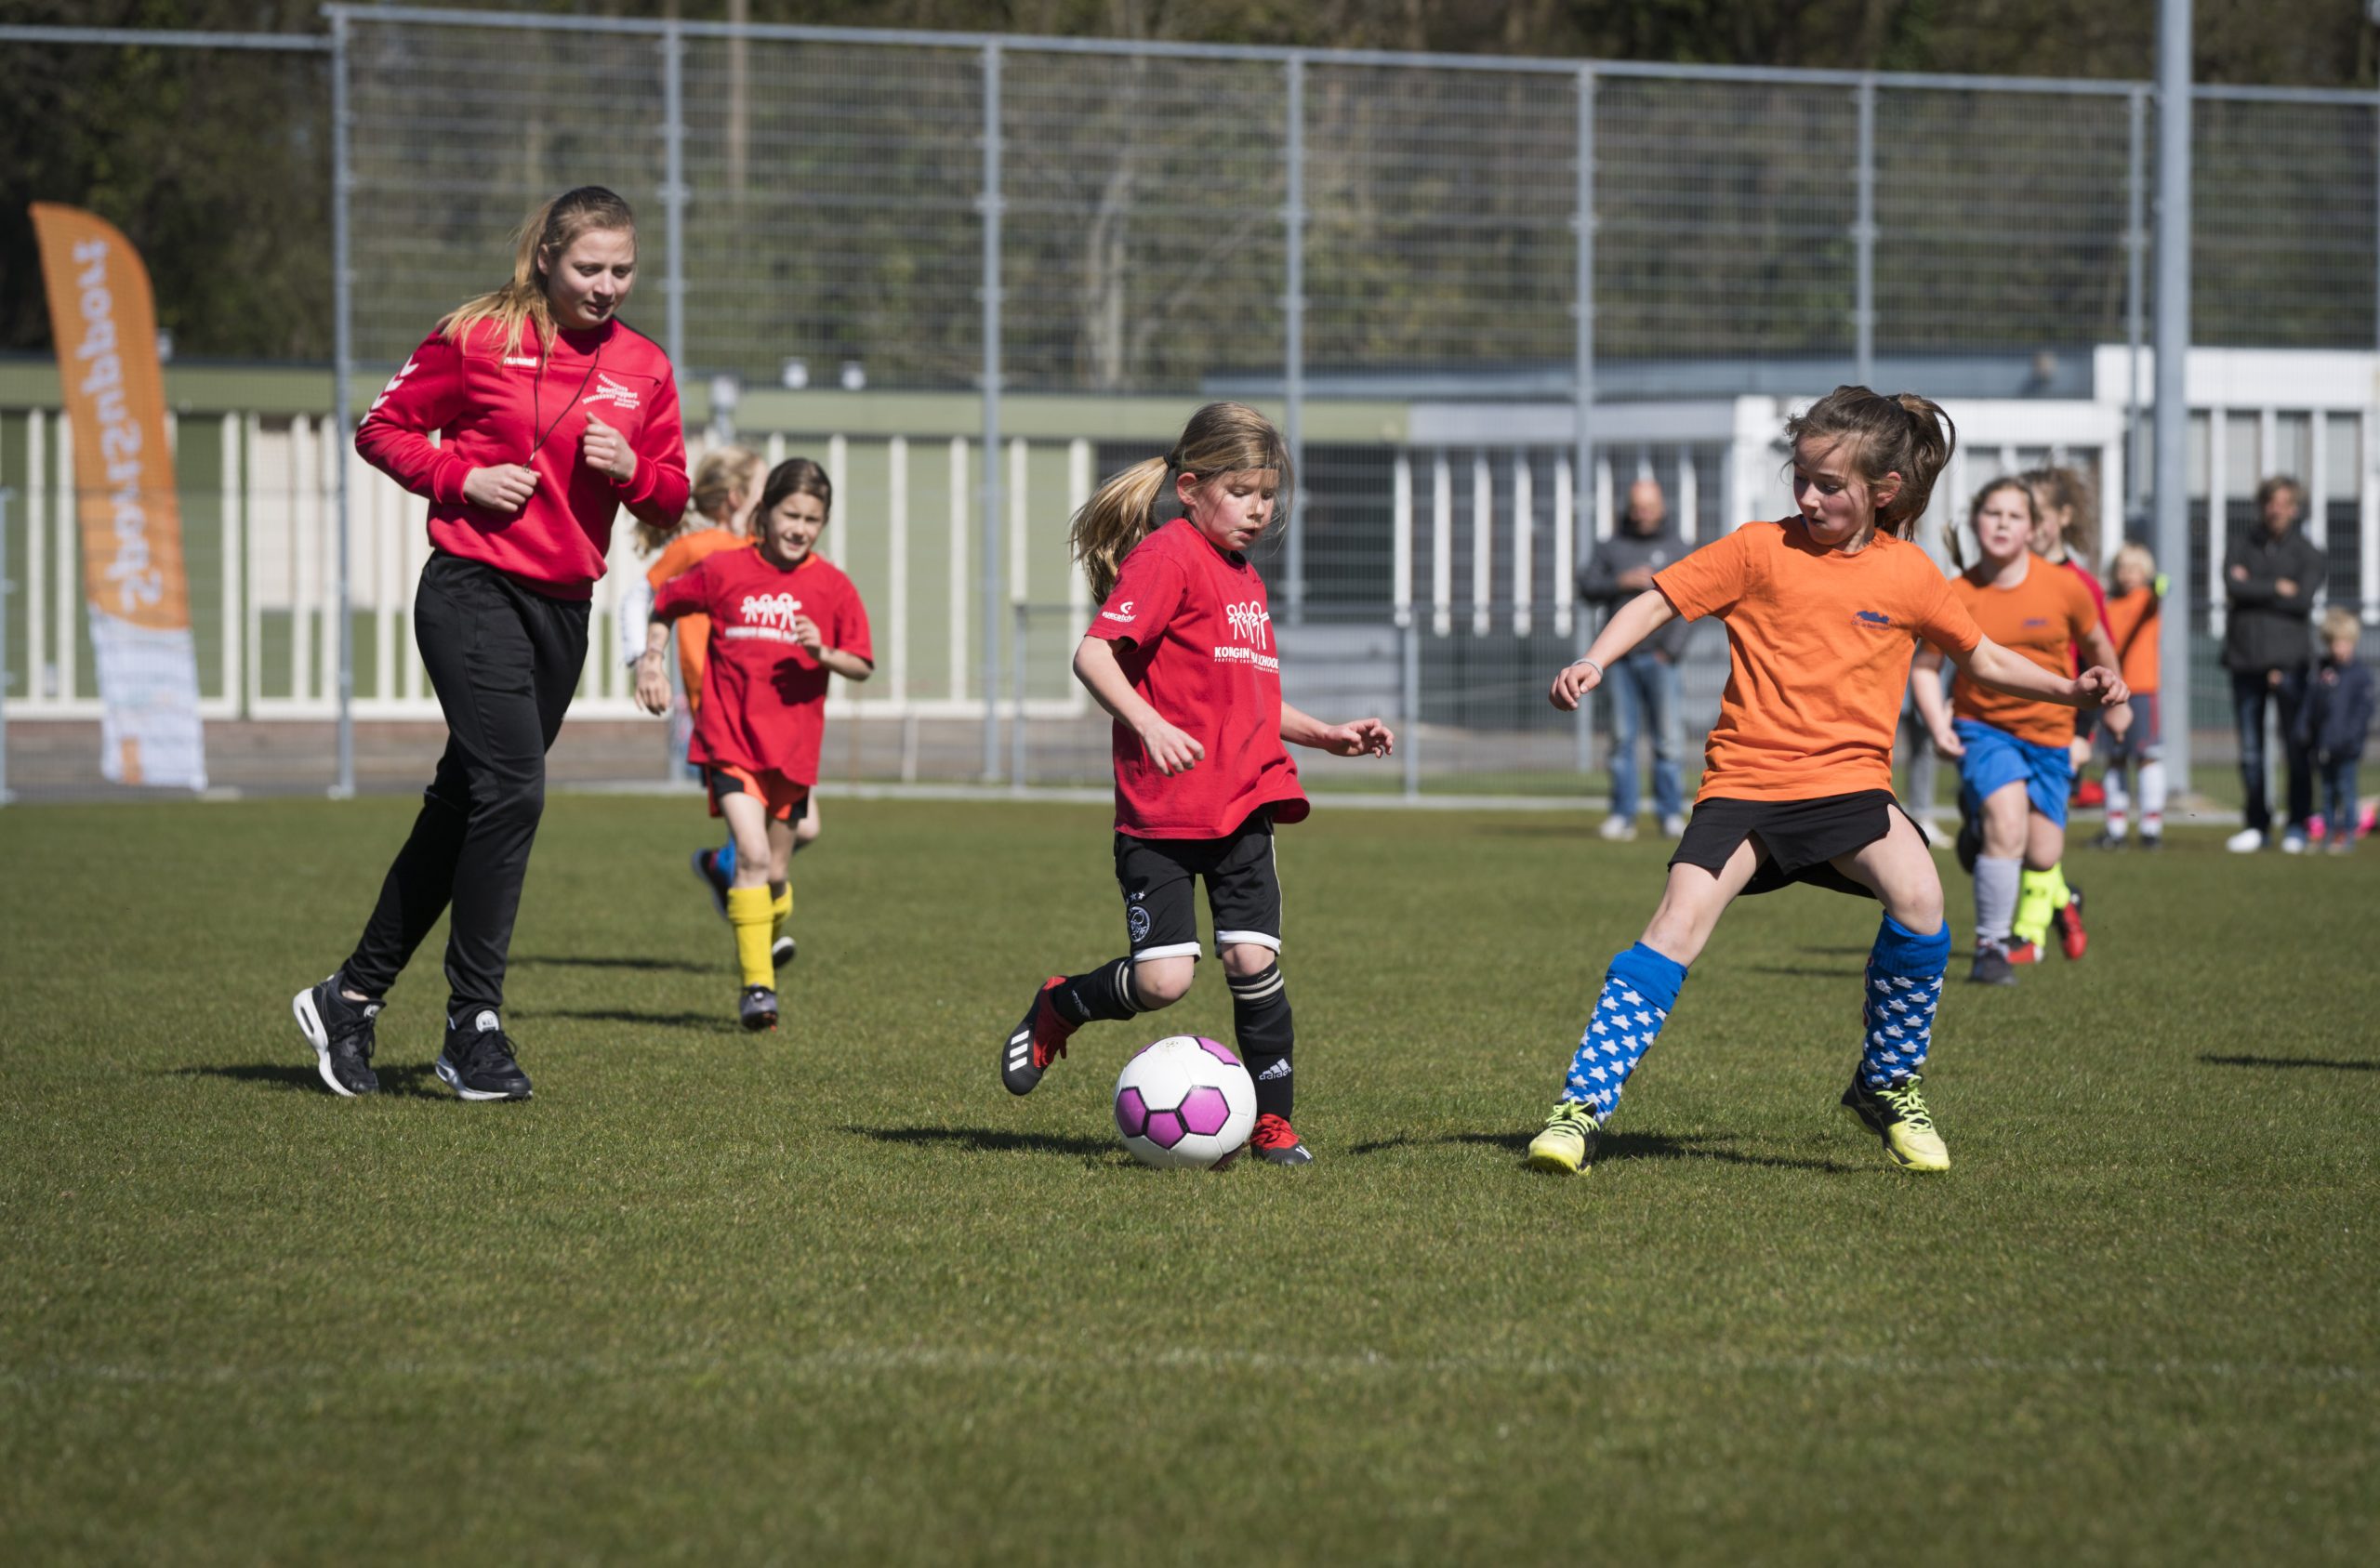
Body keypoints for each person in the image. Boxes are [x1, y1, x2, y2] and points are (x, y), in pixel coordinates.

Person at [1522, 387, 2127, 1179]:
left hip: (1848, 786)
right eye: (1801, 478)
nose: (1809, 497)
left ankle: (1887, 1082)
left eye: (1829, 485)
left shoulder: (1910, 574)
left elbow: (1982, 657)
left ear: (1884, 490)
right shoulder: (1757, 549)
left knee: (1921, 900)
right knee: (1675, 924)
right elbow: (1657, 601)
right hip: (1746, 783)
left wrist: (2070, 690)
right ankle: (1579, 1109)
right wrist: (1594, 658)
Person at [292, 185, 688, 1100]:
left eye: (623, 270)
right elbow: (380, 429)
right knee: (513, 790)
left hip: (564, 609)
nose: (607, 286)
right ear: (546, 257)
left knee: (468, 802)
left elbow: (672, 496)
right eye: (589, 267)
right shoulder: (475, 336)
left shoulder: (646, 367)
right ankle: (473, 1024)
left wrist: (636, 470)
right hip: (471, 589)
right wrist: (461, 477)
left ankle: (348, 996)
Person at [998, 402, 1395, 1166]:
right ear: (1190, 488)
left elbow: (1251, 697)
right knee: (1163, 982)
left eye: (1268, 494)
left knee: (1253, 962)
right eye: (1242, 492)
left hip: (1244, 803)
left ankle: (1274, 1122)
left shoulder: (1245, 579)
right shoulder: (1167, 557)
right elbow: (1093, 655)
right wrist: (1149, 724)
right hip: (1162, 815)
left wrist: (1326, 734)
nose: (1259, 509)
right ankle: (1061, 1003)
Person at [640, 458, 872, 1029]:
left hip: (792, 751)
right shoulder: (723, 570)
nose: (800, 529)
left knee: (773, 875)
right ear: (764, 512)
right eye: (790, 515)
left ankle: (758, 924)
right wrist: (651, 662)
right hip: (728, 740)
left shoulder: (833, 585)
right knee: (752, 853)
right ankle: (758, 990)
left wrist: (822, 654)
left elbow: (862, 664)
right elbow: (665, 602)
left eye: (812, 520)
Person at [1914, 480, 2128, 984]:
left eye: (2014, 516)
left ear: (2033, 529)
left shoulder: (2066, 587)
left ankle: (1985, 835)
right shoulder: (1957, 592)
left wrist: (2115, 696)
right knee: (2007, 827)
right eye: (1992, 513)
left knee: (2042, 853)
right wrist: (1938, 723)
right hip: (1984, 729)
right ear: (1975, 522)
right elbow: (1925, 667)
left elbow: (2098, 644)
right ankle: (1991, 946)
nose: (2002, 523)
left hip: (2051, 734)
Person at [618, 444, 810, 960]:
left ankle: (723, 867)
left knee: (803, 828)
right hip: (718, 709)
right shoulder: (701, 547)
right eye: (765, 487)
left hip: (769, 710)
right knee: (756, 845)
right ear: (737, 497)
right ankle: (760, 953)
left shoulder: (763, 552)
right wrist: (645, 661)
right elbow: (641, 597)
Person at [1578, 477, 1693, 839]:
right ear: (1628, 508)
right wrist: (1619, 581)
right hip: (1619, 662)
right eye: (1637, 508)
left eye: (1649, 507)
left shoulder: (1677, 547)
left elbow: (1693, 606)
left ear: (1661, 507)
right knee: (1621, 739)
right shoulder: (1611, 547)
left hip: (1661, 660)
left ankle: (1670, 812)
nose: (1643, 514)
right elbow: (1586, 586)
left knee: (1668, 740)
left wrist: (1669, 652)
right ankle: (1622, 815)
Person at [2223, 476, 2324, 852]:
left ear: (2294, 508)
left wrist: (2254, 586)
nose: (2276, 509)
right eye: (2270, 502)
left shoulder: (2308, 553)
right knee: (2251, 751)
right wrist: (2277, 586)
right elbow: (2233, 586)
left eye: (2283, 503)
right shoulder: (2241, 545)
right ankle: (2256, 824)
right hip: (2245, 658)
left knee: (2297, 748)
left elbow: (2302, 600)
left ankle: (2297, 823)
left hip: (2290, 662)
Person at [2021, 467, 2111, 808]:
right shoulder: (2000, 579)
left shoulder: (2082, 586)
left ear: (2064, 516)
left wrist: (2083, 734)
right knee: (1999, 823)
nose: (2032, 526)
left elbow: (2097, 663)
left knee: (2041, 825)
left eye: (2040, 516)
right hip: (1999, 726)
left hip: (2060, 729)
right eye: (2025, 516)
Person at [2093, 542, 2168, 850]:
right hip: (2112, 690)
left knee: (2147, 755)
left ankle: (2151, 827)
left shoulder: (2147, 599)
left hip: (2142, 689)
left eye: (2135, 569)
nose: (2127, 575)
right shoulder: (2108, 604)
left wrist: (2156, 584)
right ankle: (2116, 827)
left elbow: (2162, 588)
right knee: (2115, 758)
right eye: (2123, 569)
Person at [2297, 608, 2373, 854]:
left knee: (2346, 790)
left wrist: (2352, 740)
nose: (2338, 648)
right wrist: (2304, 728)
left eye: (2343, 642)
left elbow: (2362, 714)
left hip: (2347, 747)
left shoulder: (2360, 676)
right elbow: (2311, 704)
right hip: (2324, 744)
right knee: (2327, 792)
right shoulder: (2322, 672)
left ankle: (2348, 834)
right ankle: (2327, 833)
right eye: (2334, 643)